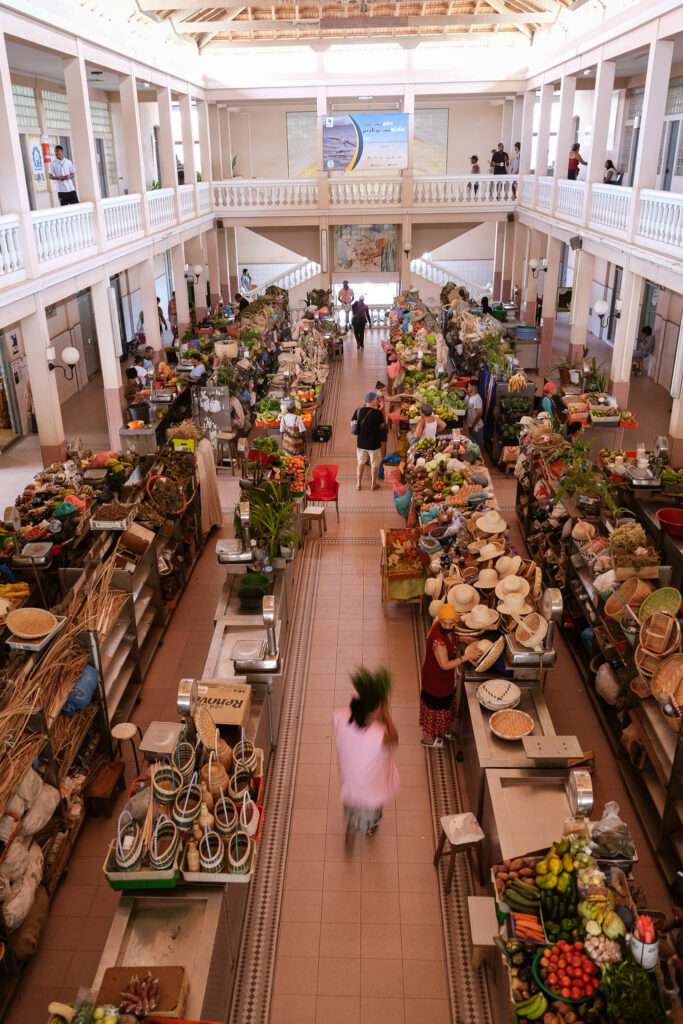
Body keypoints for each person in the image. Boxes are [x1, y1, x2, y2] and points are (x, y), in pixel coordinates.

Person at [334, 668, 399, 848]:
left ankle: (350, 835)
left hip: (350, 782)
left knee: (352, 811)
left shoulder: (342, 717)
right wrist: (385, 712)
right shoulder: (377, 735)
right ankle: (370, 828)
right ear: (373, 711)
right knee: (370, 813)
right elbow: (395, 738)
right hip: (371, 787)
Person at [420, 604, 465, 749]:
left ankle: (441, 730)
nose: (448, 626)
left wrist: (464, 640)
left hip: (444, 681)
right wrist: (465, 657)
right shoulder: (438, 640)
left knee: (444, 707)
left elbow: (452, 639)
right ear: (440, 620)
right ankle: (428, 739)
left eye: (451, 623)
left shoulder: (446, 630)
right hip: (435, 680)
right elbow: (444, 665)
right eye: (445, 623)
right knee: (433, 708)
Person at [351, 391, 386, 491]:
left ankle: (358, 483)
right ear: (373, 401)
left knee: (360, 463)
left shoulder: (358, 411)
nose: (378, 401)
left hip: (361, 442)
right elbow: (382, 428)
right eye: (377, 399)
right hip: (374, 444)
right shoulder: (378, 413)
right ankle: (373, 485)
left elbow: (353, 423)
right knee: (374, 465)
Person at [465, 379, 484, 447]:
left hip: (477, 427)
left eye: (469, 386)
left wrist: (473, 425)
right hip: (472, 426)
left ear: (473, 387)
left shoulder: (477, 398)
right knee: (473, 445)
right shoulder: (471, 397)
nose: (468, 388)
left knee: (479, 446)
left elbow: (479, 414)